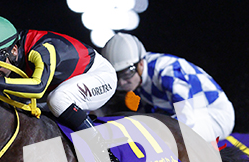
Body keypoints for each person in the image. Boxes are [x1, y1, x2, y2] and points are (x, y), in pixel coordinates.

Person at [0, 15, 124, 162]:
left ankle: (107, 158)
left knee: (58, 100)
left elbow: (38, 87)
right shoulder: (12, 52)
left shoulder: (42, 49)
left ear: (13, 50)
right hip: (60, 83)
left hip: (99, 76)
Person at [100, 32, 235, 144]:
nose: (122, 82)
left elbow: (186, 119)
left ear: (140, 64)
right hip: (189, 112)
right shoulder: (139, 77)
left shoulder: (167, 72)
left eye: (126, 73)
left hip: (215, 114)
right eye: (116, 76)